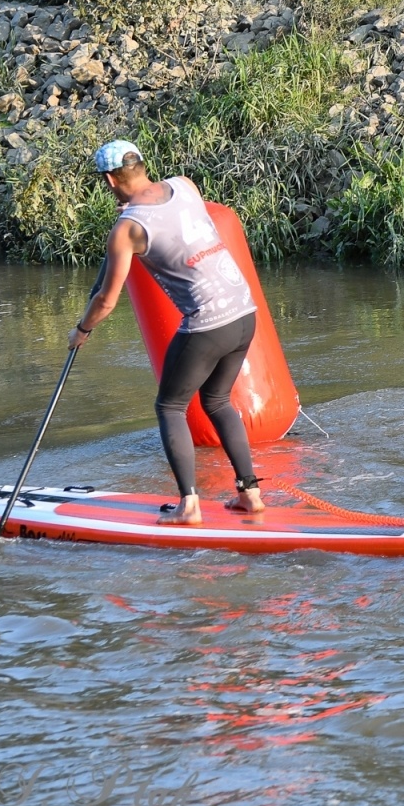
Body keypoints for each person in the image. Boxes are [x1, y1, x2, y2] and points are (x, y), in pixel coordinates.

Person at [68, 140, 264, 526]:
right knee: (218, 401)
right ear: (142, 164)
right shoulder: (185, 184)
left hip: (208, 323)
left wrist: (81, 330)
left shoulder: (127, 229)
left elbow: (107, 300)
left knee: (170, 406)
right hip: (244, 310)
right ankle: (250, 494)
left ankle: (188, 506)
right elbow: (178, 224)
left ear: (109, 181)